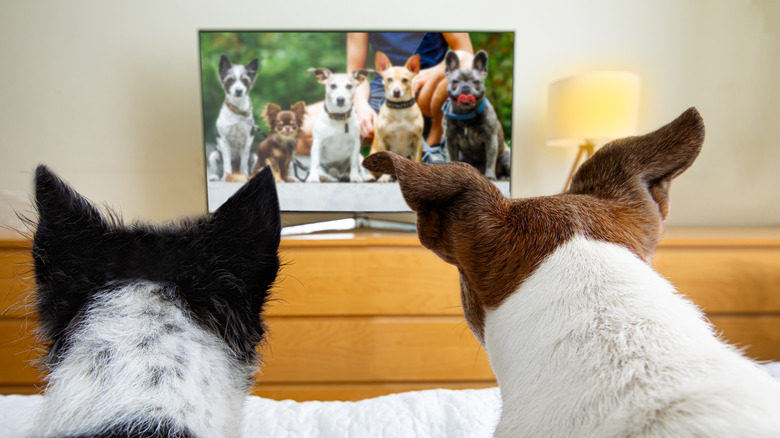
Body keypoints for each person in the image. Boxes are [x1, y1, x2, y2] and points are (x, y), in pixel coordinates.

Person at [298, 32, 473, 161]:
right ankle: (379, 150)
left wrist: (429, 74)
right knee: (297, 130)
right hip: (382, 93)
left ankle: (433, 145)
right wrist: (361, 105)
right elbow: (356, 72)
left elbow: (467, 56)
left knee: (463, 59)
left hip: (425, 90)